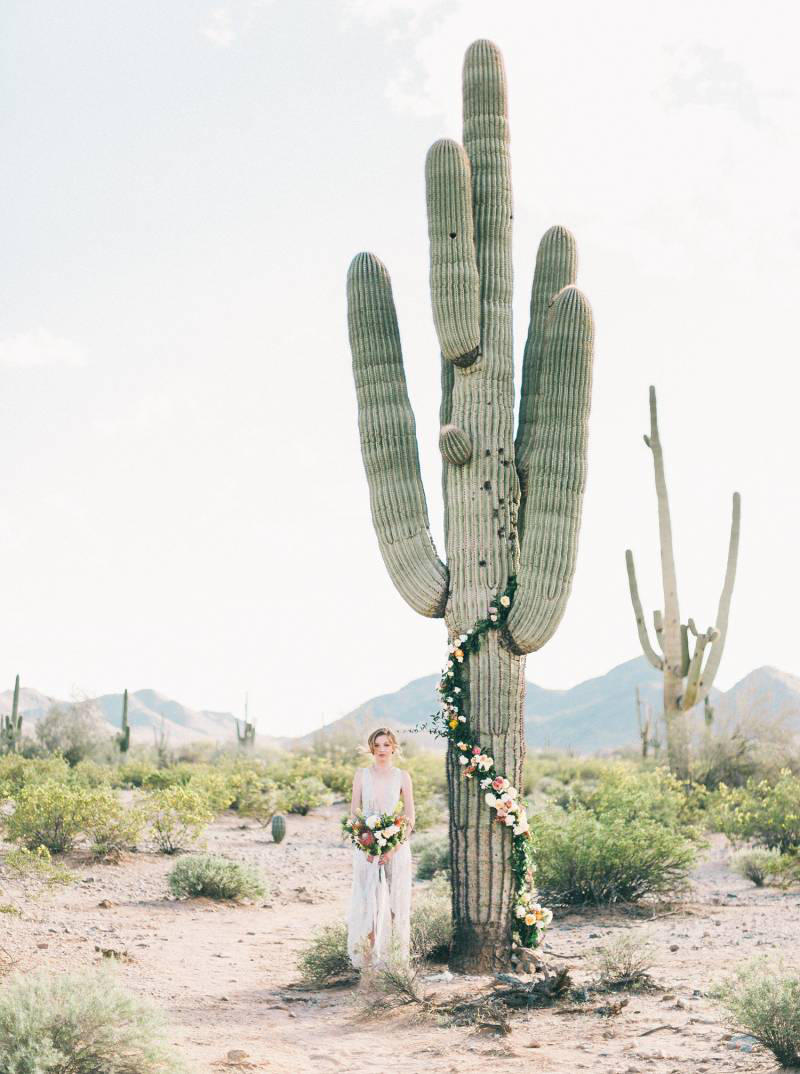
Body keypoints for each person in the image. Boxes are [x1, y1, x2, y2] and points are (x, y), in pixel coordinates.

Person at [346, 727, 415, 969]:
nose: (382, 750)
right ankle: (369, 959)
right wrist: (364, 844)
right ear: (371, 748)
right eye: (377, 745)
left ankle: (394, 958)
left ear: (394, 747)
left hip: (395, 847)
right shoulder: (361, 775)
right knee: (369, 901)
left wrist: (393, 848)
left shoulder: (402, 776)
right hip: (366, 848)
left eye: (387, 745)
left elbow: (409, 817)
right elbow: (354, 814)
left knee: (395, 901)